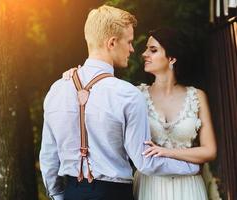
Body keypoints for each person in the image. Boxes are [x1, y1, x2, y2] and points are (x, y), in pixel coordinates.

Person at [40, 5, 200, 200]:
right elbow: (144, 162)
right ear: (112, 43)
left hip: (73, 192)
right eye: (130, 42)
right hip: (114, 194)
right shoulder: (128, 94)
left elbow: (48, 157)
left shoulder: (57, 89)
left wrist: (57, 194)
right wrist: (190, 167)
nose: (133, 49)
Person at [132, 28, 217, 200]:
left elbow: (209, 151)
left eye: (153, 50)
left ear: (172, 58)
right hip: (150, 186)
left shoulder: (197, 96)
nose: (144, 54)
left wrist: (166, 152)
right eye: (147, 49)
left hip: (189, 188)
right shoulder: (137, 96)